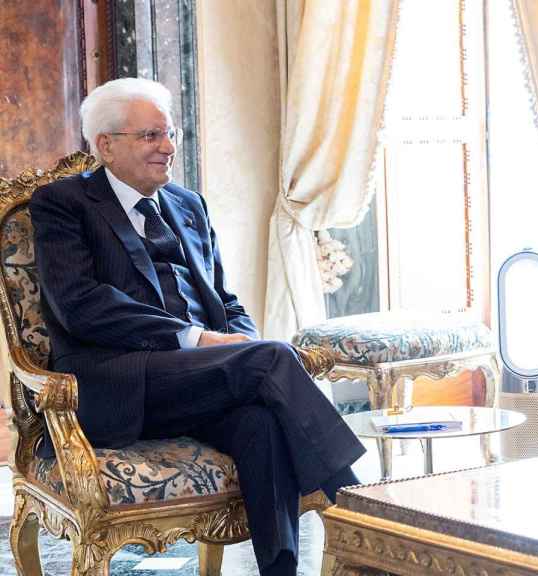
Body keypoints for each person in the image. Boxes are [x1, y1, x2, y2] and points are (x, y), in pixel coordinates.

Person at [30, 77, 365, 576]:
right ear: (106, 145)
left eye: (171, 134)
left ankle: (282, 571)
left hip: (202, 380)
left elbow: (225, 302)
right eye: (150, 136)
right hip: (122, 382)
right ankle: (363, 509)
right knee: (272, 357)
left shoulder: (189, 204)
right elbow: (82, 305)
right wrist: (202, 340)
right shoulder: (63, 204)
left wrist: (239, 344)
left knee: (262, 423)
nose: (167, 148)